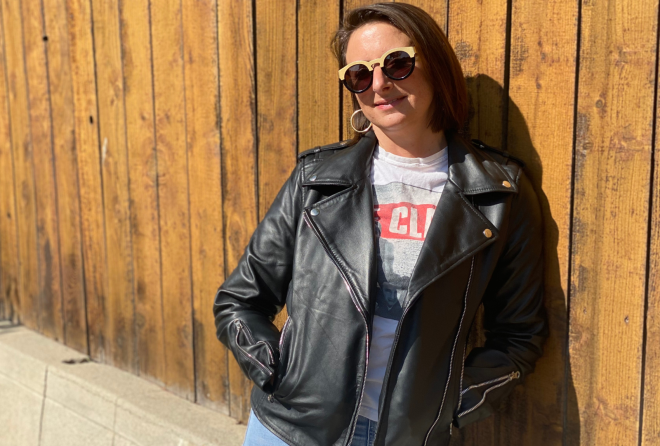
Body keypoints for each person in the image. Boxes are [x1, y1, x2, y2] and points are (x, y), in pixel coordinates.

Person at [213, 3, 548, 446]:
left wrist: (447, 406)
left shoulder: (498, 193)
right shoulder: (316, 181)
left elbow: (519, 335)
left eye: (397, 63)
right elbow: (239, 300)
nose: (379, 84)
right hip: (291, 431)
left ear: (437, 67)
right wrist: (280, 376)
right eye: (359, 74)